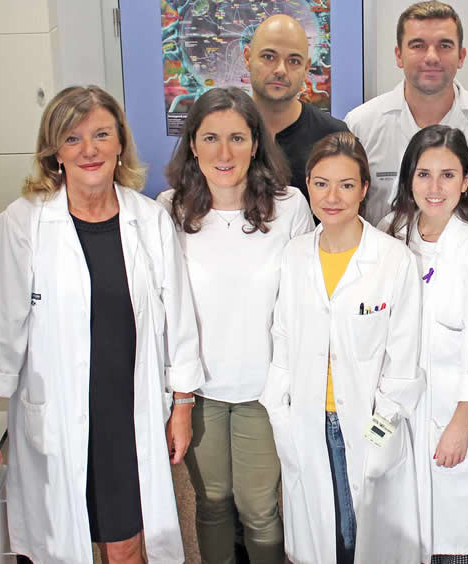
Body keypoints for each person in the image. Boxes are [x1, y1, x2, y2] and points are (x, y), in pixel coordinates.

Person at [0, 86, 202, 564]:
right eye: (73, 139)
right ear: (54, 151)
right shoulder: (22, 224)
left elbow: (179, 321)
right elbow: (2, 329)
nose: (89, 150)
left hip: (127, 413)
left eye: (101, 135)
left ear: (120, 143)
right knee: (61, 545)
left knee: (126, 545)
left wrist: (181, 406)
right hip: (58, 413)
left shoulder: (149, 221)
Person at [157, 87, 313, 564]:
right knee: (211, 504)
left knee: (259, 509)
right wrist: (177, 395)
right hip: (197, 392)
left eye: (237, 138)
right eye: (210, 138)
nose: (223, 153)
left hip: (263, 391)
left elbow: (303, 303)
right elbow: (164, 308)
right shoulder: (169, 210)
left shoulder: (290, 207)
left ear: (255, 144)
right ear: (192, 145)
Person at [261, 132, 425, 564]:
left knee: (357, 540)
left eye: (346, 185)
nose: (332, 197)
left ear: (364, 188)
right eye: (321, 183)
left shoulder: (393, 260)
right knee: (322, 538)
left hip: (364, 423)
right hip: (308, 418)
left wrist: (377, 436)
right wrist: (279, 411)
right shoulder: (295, 255)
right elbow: (282, 339)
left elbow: (403, 365)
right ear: (307, 185)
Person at [383, 125, 468, 564]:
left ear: (466, 181)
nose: (434, 188)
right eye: (423, 174)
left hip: (456, 422)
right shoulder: (390, 235)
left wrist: (459, 427)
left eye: (447, 175)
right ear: (409, 179)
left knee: (454, 545)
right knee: (399, 541)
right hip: (401, 421)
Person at [345, 1, 468, 224]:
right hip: (383, 246)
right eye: (418, 45)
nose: (432, 57)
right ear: (399, 55)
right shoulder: (361, 125)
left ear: (461, 56)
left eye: (444, 45)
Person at [244, 14, 348, 202]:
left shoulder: (333, 136)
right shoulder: (222, 134)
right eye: (269, 57)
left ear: (306, 68)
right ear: (247, 58)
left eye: (293, 61)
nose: (280, 70)